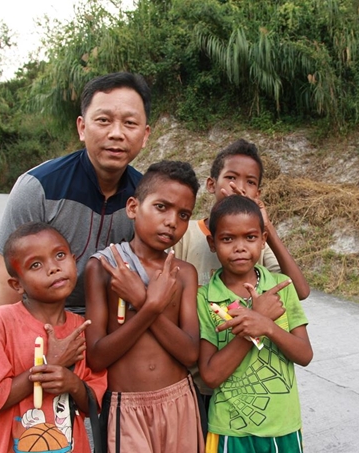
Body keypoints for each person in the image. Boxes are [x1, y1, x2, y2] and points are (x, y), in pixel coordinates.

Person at [172, 138, 310, 422]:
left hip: (250, 379)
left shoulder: (256, 240)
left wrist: (266, 227)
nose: (239, 188)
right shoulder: (188, 235)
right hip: (198, 379)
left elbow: (298, 290)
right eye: (231, 178)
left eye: (250, 182)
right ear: (211, 184)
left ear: (258, 191)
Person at [0, 72, 152, 314]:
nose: (116, 133)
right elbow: (4, 272)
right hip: (46, 316)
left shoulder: (146, 197)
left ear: (145, 135)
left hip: (113, 322)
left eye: (129, 123)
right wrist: (15, 339)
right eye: (104, 120)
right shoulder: (39, 187)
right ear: (82, 127)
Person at [85, 160, 205, 453]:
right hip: (127, 408)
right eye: (161, 207)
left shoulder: (184, 273)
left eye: (183, 214)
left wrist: (140, 301)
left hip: (180, 401)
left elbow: (190, 353)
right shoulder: (104, 268)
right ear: (133, 207)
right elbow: (97, 357)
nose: (171, 221)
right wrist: (151, 308)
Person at [0, 222, 107, 453]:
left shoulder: (81, 328)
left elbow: (93, 403)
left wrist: (73, 383)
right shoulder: (2, 322)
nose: (53, 268)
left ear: (74, 259)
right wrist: (46, 367)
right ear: (17, 284)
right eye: (35, 264)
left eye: (60, 255)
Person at [197, 195, 313, 453]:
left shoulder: (282, 287)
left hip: (283, 423)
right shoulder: (205, 298)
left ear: (263, 239)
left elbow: (305, 355)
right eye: (228, 239)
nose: (240, 247)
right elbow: (211, 376)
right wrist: (251, 329)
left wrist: (268, 326)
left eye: (250, 237)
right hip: (230, 427)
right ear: (212, 243)